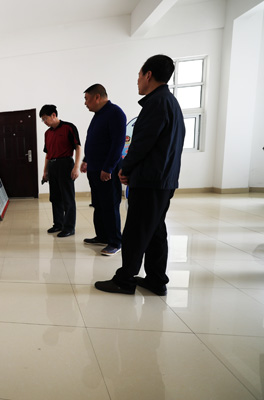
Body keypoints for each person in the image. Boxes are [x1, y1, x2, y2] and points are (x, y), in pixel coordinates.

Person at [95, 54, 185, 295]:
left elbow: (142, 143)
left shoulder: (156, 103)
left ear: (148, 75)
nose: (137, 80)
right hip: (162, 180)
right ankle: (156, 279)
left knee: (135, 231)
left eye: (139, 75)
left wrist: (125, 168)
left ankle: (124, 280)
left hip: (150, 181)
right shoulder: (170, 102)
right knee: (155, 230)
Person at [80, 84, 127, 256]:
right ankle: (102, 236)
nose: (85, 103)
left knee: (110, 205)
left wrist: (108, 168)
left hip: (107, 171)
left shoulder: (115, 113)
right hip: (94, 169)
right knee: (98, 205)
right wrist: (86, 160)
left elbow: (117, 144)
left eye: (87, 99)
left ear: (97, 97)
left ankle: (115, 242)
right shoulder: (98, 115)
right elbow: (95, 141)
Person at [40, 104, 82, 237]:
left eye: (45, 118)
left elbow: (78, 147)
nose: (44, 122)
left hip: (65, 164)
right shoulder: (47, 133)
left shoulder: (69, 127)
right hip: (52, 166)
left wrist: (76, 167)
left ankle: (69, 227)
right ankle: (58, 224)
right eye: (42, 120)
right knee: (55, 197)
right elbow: (48, 154)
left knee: (67, 197)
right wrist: (45, 171)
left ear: (53, 115)